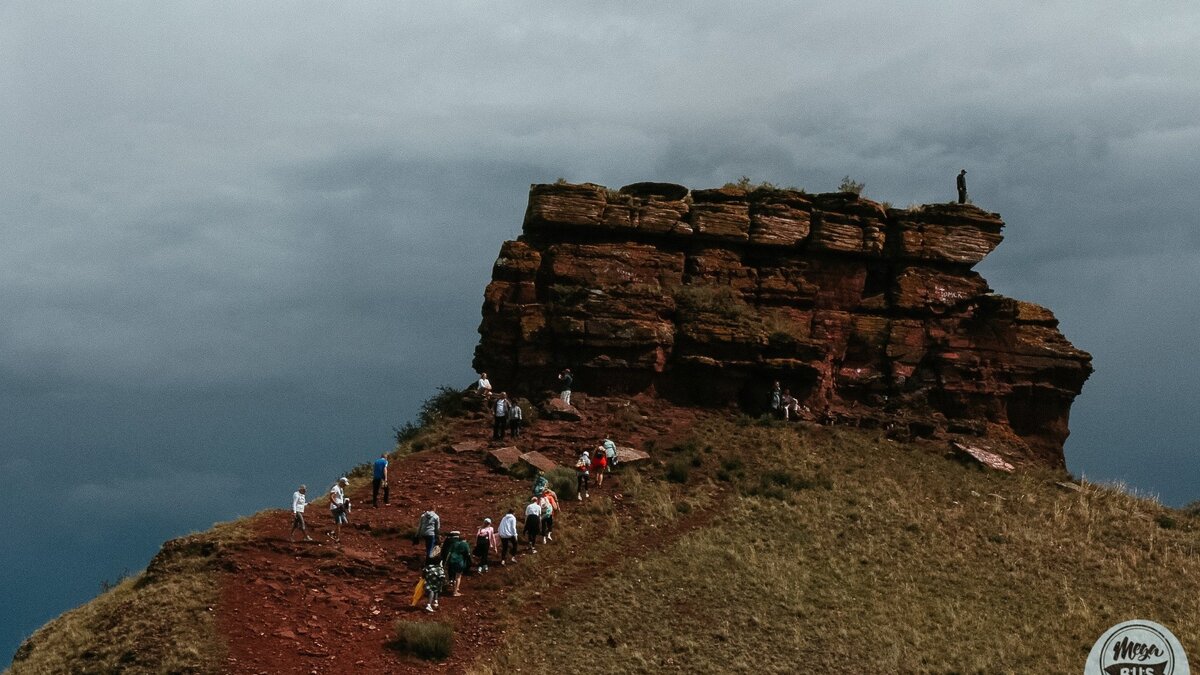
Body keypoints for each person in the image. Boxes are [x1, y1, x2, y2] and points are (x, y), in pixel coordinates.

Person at [442, 531, 472, 597]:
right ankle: (455, 591)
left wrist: (446, 562)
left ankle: (454, 588)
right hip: (460, 561)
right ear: (465, 539)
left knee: (453, 576)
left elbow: (449, 553)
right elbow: (468, 554)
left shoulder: (454, 544)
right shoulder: (465, 544)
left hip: (452, 561)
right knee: (458, 577)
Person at [327, 477, 350, 542]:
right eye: (344, 484)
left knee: (344, 521)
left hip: (340, 507)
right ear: (341, 482)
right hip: (335, 508)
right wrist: (336, 504)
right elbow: (331, 497)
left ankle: (333, 533)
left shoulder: (341, 489)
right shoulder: (335, 488)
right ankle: (337, 538)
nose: (345, 485)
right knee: (339, 523)